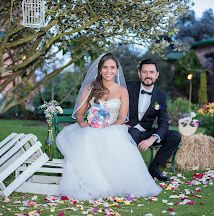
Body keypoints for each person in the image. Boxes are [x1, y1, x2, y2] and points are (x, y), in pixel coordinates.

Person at [55, 53, 161, 200]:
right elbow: (79, 114)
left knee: (111, 139)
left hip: (113, 127)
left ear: (116, 70)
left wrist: (107, 126)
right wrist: (84, 123)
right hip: (90, 128)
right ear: (99, 70)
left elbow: (123, 118)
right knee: (88, 138)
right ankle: (93, 183)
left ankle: (112, 184)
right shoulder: (89, 88)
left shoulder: (122, 91)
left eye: (112, 67)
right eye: (105, 67)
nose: (108, 71)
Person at [127, 59, 181, 182]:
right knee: (133, 133)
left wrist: (152, 139)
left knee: (175, 135)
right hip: (128, 130)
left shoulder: (161, 96)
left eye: (151, 72)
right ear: (139, 73)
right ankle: (132, 171)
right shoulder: (128, 87)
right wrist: (122, 123)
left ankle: (154, 169)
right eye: (144, 72)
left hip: (147, 133)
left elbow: (163, 122)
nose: (148, 75)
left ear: (157, 75)